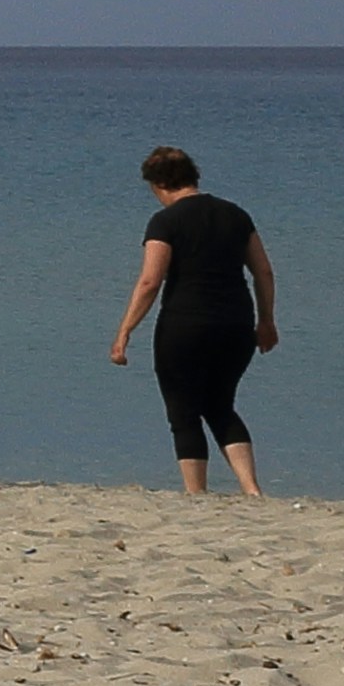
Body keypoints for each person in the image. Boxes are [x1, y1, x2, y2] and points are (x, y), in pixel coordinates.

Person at [110, 145, 276, 496]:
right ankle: (251, 488)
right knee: (220, 404)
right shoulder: (236, 215)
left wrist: (124, 331)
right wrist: (267, 321)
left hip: (185, 327)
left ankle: (196, 494)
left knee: (183, 410)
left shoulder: (165, 222)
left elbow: (150, 281)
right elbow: (262, 270)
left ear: (158, 185)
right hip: (235, 325)